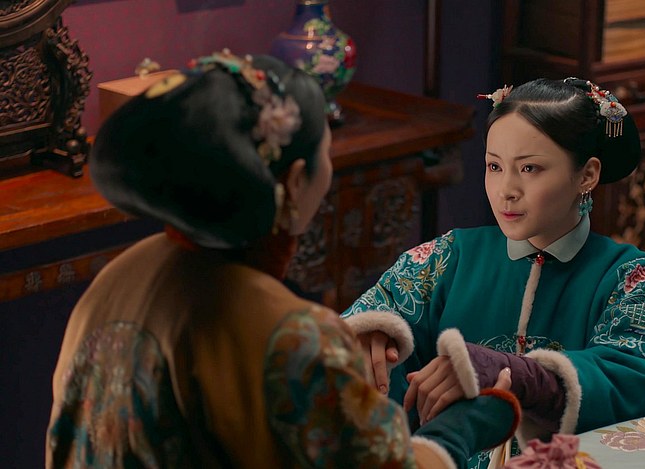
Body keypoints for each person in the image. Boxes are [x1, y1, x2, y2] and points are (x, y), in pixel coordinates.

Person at [45, 50, 521, 468]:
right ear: (294, 182)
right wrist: (463, 426)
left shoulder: (121, 274)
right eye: (326, 153)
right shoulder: (291, 334)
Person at [341, 77, 645, 468]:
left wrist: (523, 376)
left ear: (587, 174)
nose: (506, 189)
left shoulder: (636, 280)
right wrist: (371, 336)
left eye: (530, 168)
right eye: (494, 166)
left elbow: (635, 385)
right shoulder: (448, 257)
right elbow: (365, 319)